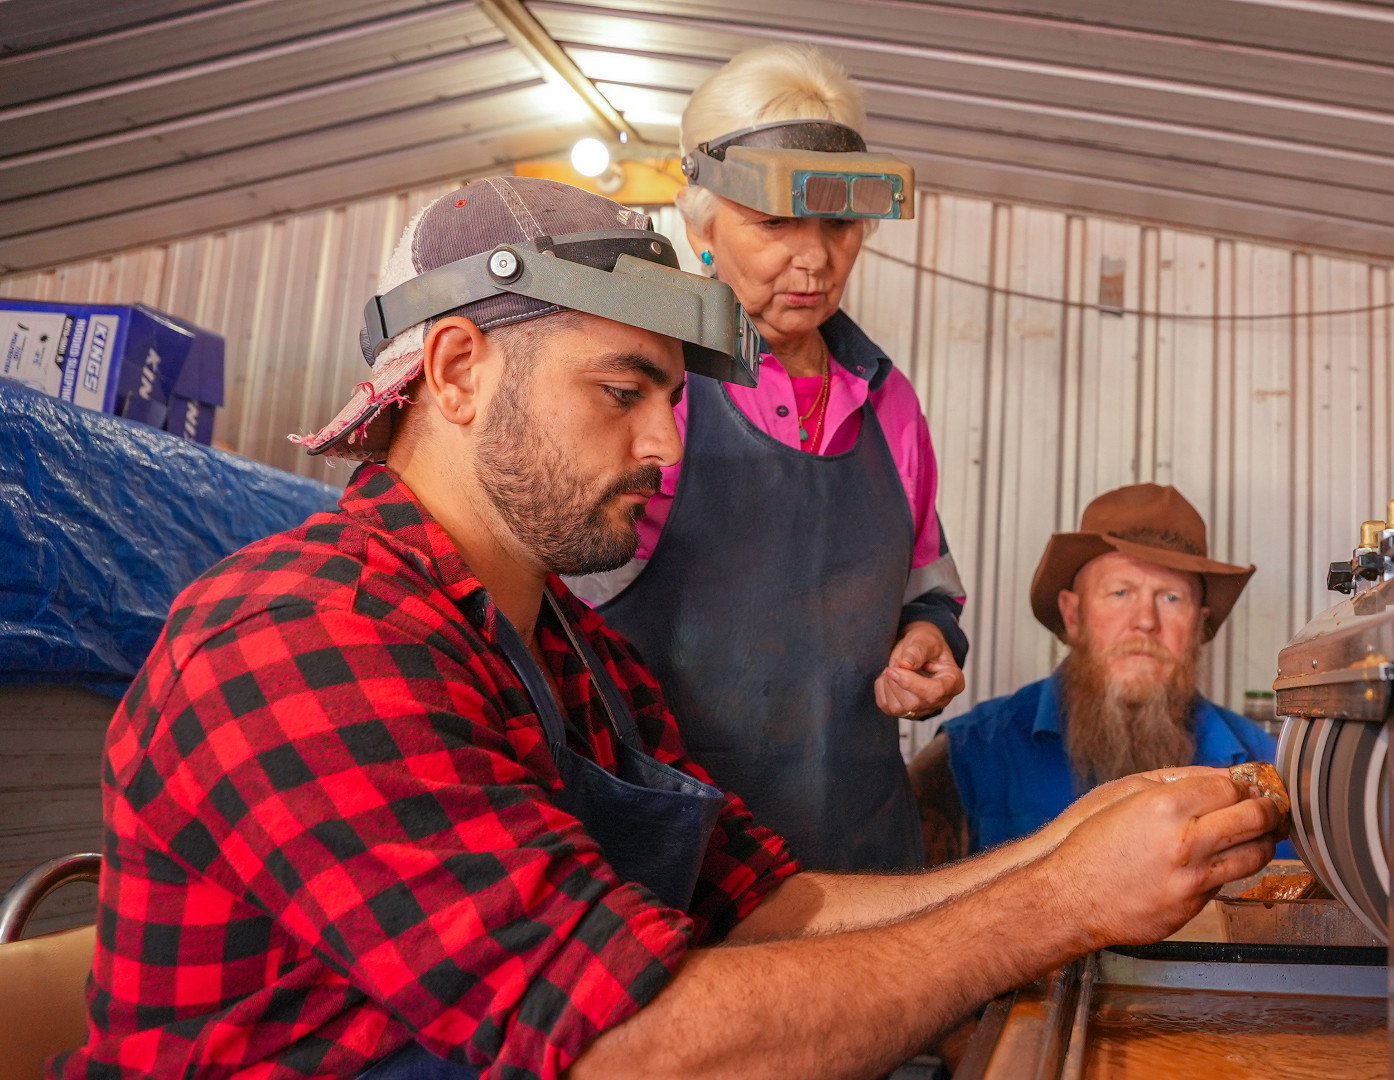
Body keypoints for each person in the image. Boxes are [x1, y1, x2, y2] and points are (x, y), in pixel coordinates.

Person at [56, 177, 1283, 1080]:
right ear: (460, 368)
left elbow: (771, 907)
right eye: (624, 392)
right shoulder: (302, 640)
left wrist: (1083, 837)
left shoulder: (571, 655)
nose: (664, 444)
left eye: (672, 398)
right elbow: (627, 1046)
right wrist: (1060, 903)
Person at [570, 44, 960, 874]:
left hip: (864, 859)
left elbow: (928, 583)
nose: (815, 259)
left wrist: (929, 638)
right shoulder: (646, 389)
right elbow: (553, 618)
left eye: (840, 224)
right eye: (776, 223)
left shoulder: (887, 400)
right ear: (704, 223)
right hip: (684, 871)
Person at [912, 484, 1288, 863]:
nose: (1145, 621)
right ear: (1073, 616)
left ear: (1198, 626)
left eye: (1171, 597)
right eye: (1120, 592)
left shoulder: (1270, 767)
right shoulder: (970, 756)